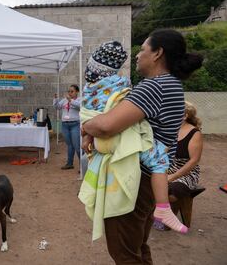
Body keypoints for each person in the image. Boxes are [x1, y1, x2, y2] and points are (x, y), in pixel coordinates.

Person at [81, 29, 203, 264]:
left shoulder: (154, 87)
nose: (137, 55)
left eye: (143, 49)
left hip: (134, 181)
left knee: (124, 253)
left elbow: (106, 126)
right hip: (148, 180)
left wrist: (86, 125)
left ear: (158, 53)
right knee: (137, 247)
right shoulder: (172, 86)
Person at [153, 101, 204, 230]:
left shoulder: (194, 133)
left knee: (171, 191)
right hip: (168, 167)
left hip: (187, 171)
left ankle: (166, 218)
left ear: (185, 116)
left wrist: (172, 176)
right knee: (145, 181)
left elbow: (194, 161)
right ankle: (155, 214)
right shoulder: (171, 129)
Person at [53, 85, 81, 170]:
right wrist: (55, 100)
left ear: (77, 92)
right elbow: (57, 107)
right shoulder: (64, 100)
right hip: (65, 124)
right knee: (69, 145)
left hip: (75, 124)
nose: (70, 93)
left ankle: (82, 166)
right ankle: (69, 163)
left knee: (77, 145)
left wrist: (70, 100)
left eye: (72, 91)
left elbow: (79, 106)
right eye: (69, 91)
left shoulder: (80, 100)